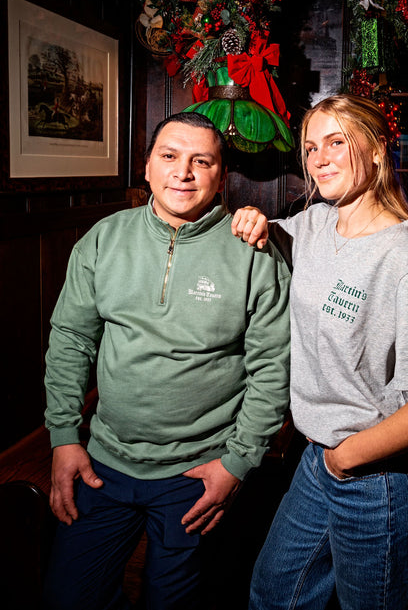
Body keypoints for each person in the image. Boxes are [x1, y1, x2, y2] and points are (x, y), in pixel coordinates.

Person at [231, 94, 408, 610]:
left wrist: (346, 458)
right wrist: (251, 218)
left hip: (377, 477)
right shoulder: (315, 223)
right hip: (316, 460)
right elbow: (264, 237)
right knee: (272, 596)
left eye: (336, 142)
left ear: (378, 149)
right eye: (311, 147)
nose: (319, 159)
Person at [43, 112, 291, 610]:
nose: (183, 172)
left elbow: (273, 367)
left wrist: (237, 463)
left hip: (199, 471)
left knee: (173, 602)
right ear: (147, 167)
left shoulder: (254, 253)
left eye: (202, 161)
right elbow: (71, 339)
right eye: (170, 156)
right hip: (104, 463)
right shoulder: (103, 238)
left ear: (222, 175)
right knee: (69, 598)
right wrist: (64, 437)